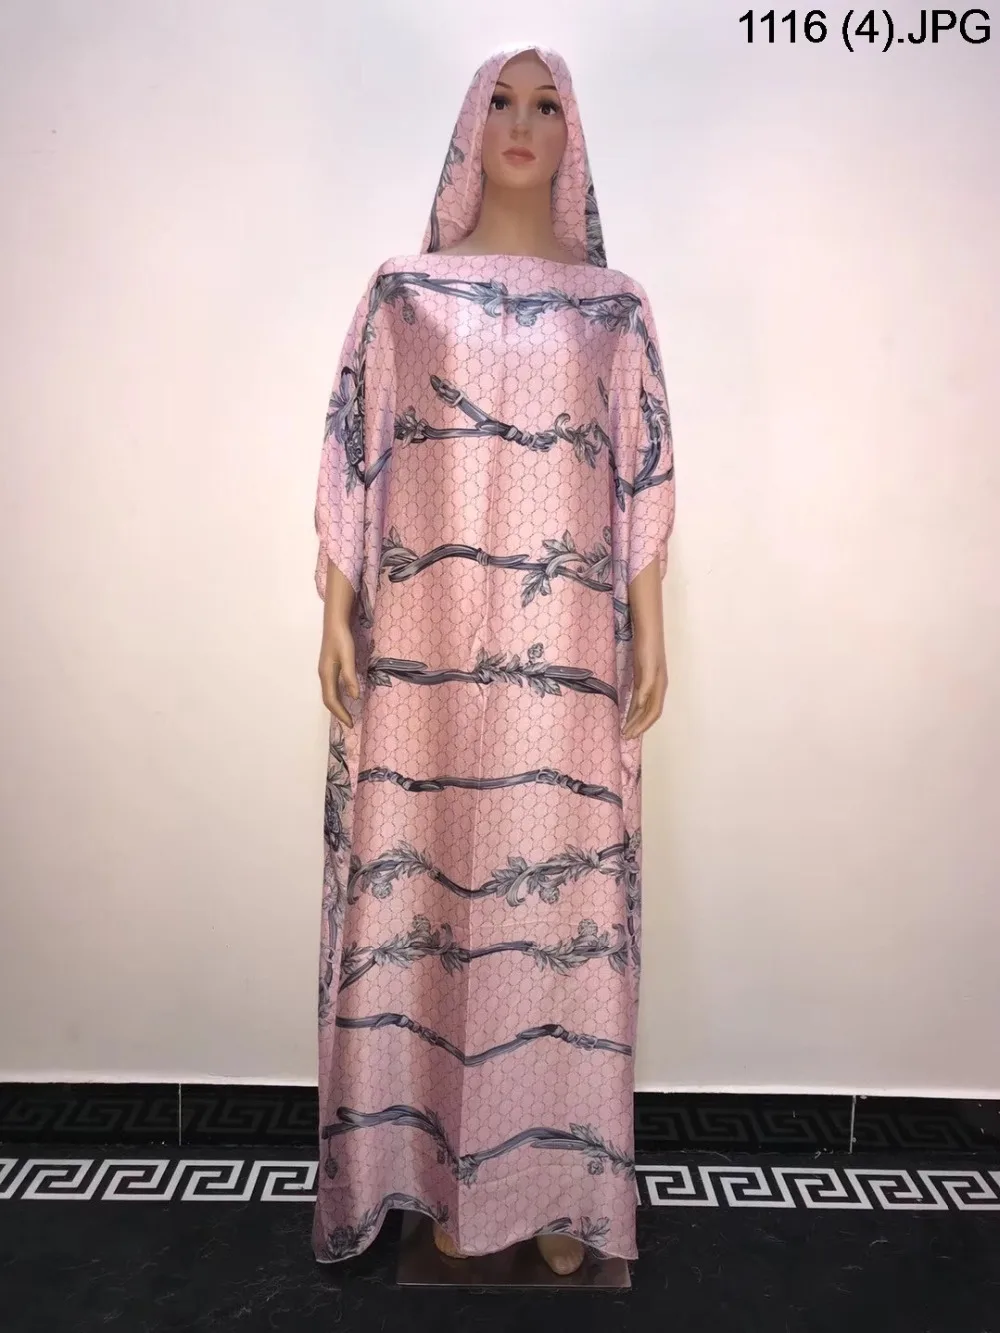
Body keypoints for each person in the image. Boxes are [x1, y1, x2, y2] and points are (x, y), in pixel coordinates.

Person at [312, 42, 675, 1276]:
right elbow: (354, 450)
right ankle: (443, 1172)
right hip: (425, 656)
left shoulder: (613, 306)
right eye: (503, 102)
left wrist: (651, 625)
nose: (523, 123)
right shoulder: (403, 293)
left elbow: (641, 470)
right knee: (433, 897)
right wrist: (334, 609)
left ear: (574, 134)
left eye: (547, 104)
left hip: (565, 657)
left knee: (554, 903)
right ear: (472, 125)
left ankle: (557, 1183)